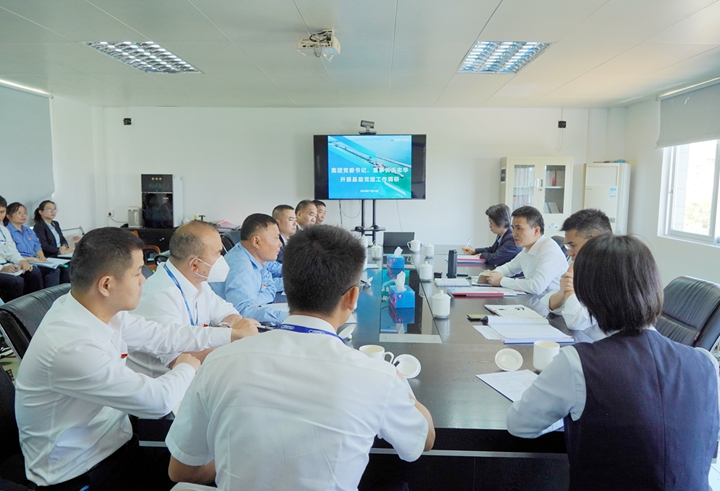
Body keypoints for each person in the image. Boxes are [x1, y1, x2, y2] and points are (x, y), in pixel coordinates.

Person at [167, 225, 435, 490]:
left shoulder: (219, 362)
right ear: (352, 297)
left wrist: (236, 455)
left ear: (286, 284)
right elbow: (423, 440)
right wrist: (399, 382)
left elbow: (182, 470)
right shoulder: (377, 377)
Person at [14, 227, 256, 490]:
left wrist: (230, 335)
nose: (143, 280)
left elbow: (161, 334)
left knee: (220, 465)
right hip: (81, 473)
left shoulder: (92, 309)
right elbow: (157, 401)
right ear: (106, 285)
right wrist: (187, 365)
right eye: (137, 272)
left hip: (118, 446)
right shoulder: (71, 345)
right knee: (215, 470)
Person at [506, 235, 720, 490]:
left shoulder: (578, 363)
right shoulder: (707, 363)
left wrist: (570, 409)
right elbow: (705, 449)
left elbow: (519, 425)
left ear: (587, 293)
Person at [130, 220, 260, 378]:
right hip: (166, 384)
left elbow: (230, 314)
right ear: (195, 265)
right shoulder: (159, 296)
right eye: (218, 254)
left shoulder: (198, 281)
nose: (222, 259)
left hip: (197, 374)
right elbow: (180, 362)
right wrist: (230, 335)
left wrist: (229, 330)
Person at [540, 209, 612, 342]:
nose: (569, 253)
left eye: (572, 245)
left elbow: (575, 321)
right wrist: (563, 291)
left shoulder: (612, 272)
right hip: (589, 341)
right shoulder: (589, 267)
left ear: (593, 240)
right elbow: (548, 304)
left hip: (610, 348)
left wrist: (570, 289)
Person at [210, 213, 288, 325]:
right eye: (276, 238)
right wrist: (289, 318)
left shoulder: (258, 259)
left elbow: (270, 288)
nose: (280, 244)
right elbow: (242, 312)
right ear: (256, 242)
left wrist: (255, 301)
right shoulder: (241, 267)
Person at [486, 206, 567, 294]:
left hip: (549, 301)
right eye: (513, 228)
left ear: (536, 230)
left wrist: (501, 280)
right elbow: (509, 268)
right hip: (535, 299)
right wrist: (494, 274)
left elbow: (536, 287)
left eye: (519, 228)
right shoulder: (527, 249)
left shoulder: (549, 251)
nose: (513, 234)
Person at [4, 202, 59, 289]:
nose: (23, 215)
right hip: (20, 262)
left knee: (56, 269)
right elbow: (11, 254)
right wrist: (35, 259)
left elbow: (37, 245)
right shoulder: (6, 231)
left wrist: (41, 256)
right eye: (19, 213)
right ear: (8, 216)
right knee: (36, 272)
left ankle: (53, 295)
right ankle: (40, 296)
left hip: (35, 260)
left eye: (25, 212)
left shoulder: (28, 230)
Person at [0, 196, 43, 301]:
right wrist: (2, 269)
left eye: (2, 212)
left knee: (34, 272)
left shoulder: (3, 230)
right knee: (16, 281)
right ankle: (13, 310)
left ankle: (35, 304)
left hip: (6, 264)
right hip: (1, 268)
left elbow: (11, 252)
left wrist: (22, 261)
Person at [461, 203, 521, 268]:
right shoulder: (502, 234)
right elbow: (492, 250)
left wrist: (482, 255)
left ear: (499, 221)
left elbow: (496, 258)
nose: (490, 226)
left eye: (491, 222)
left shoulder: (511, 238)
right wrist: (475, 251)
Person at [33, 200, 72, 284]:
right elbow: (44, 246)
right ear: (40, 212)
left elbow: (62, 239)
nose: (53, 212)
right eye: (49, 209)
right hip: (50, 255)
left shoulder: (55, 224)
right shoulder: (39, 226)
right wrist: (59, 250)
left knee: (77, 261)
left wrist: (64, 246)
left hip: (60, 254)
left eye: (54, 209)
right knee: (66, 267)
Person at [264, 204, 297, 292]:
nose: (295, 224)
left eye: (295, 220)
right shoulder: (269, 244)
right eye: (291, 219)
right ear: (277, 223)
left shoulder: (293, 241)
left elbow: (277, 267)